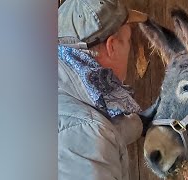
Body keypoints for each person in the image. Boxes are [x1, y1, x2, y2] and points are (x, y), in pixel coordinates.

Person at [58, 0, 148, 180]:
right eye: (129, 41)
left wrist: (142, 123)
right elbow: (87, 134)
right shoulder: (89, 134)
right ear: (112, 46)